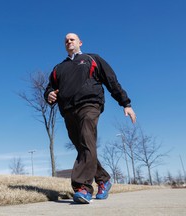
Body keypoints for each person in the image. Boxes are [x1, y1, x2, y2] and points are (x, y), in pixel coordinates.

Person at [44, 33, 136, 204]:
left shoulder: (92, 59)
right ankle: (103, 179)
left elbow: (111, 81)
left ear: (80, 42)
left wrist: (126, 103)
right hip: (68, 110)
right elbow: (50, 88)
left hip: (90, 104)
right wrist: (48, 95)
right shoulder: (58, 68)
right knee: (84, 147)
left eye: (72, 39)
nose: (69, 41)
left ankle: (83, 187)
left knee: (86, 140)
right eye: (66, 40)